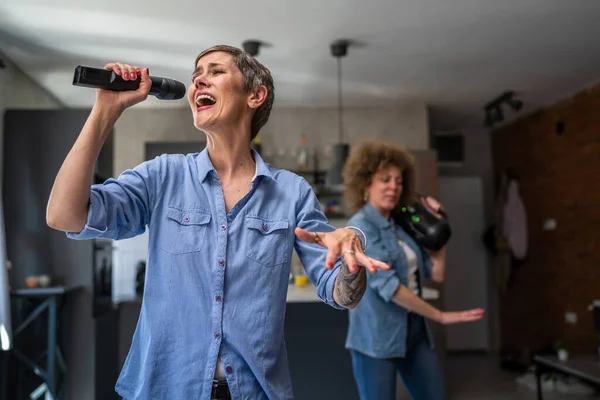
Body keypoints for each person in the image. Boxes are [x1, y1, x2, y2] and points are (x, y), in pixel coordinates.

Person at [45, 45, 390, 400]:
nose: (198, 81)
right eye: (196, 75)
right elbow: (64, 215)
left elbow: (341, 294)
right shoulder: (162, 176)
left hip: (253, 392)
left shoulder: (292, 192)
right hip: (164, 390)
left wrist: (350, 258)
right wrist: (105, 110)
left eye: (215, 71)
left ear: (255, 95)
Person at [342, 139, 485, 400]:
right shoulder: (360, 228)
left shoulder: (401, 227)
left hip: (415, 333)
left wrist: (439, 230)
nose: (394, 187)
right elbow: (391, 288)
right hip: (376, 339)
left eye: (398, 181)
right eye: (385, 179)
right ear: (366, 183)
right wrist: (439, 316)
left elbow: (435, 274)